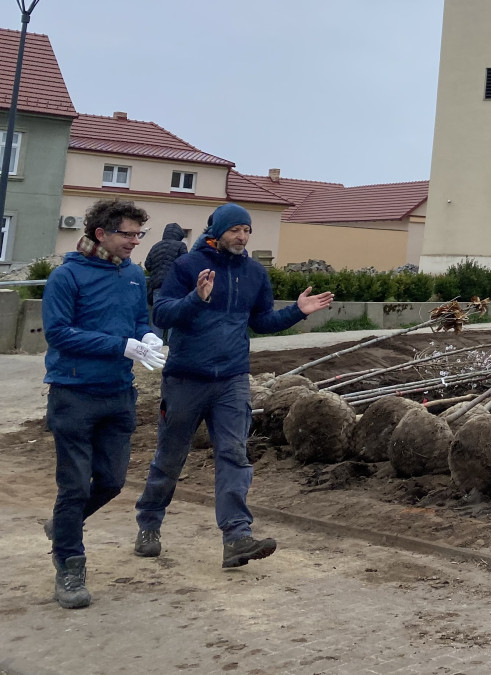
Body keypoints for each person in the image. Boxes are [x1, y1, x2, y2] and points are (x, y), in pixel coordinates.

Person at [134, 203, 333, 568]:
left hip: (233, 379)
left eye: (247, 231)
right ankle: (149, 523)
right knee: (171, 457)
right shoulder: (187, 267)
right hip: (185, 379)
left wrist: (298, 312)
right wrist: (197, 298)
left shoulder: (255, 273)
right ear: (218, 231)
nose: (242, 237)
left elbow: (262, 321)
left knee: (234, 455)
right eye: (236, 230)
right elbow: (161, 314)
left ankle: (237, 536)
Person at [42, 198, 165, 609]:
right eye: (127, 234)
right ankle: (70, 566)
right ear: (101, 234)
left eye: (138, 234)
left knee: (111, 482)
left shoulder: (132, 275)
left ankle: (63, 526)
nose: (134, 242)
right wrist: (121, 345)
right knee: (74, 486)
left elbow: (138, 321)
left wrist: (146, 337)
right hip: (73, 393)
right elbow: (58, 333)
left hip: (118, 394)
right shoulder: (67, 276)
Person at [144, 222, 188, 334]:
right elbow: (185, 264)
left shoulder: (156, 246)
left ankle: (154, 346)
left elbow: (147, 264)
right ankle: (170, 346)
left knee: (157, 317)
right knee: (174, 317)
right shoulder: (181, 246)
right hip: (174, 286)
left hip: (156, 285)